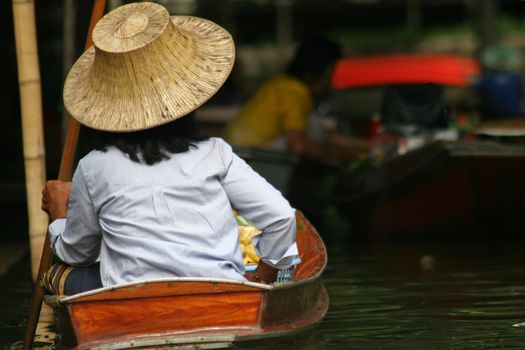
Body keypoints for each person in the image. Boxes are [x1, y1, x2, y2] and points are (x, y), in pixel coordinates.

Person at [40, 2, 297, 295]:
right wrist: (263, 275)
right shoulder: (215, 152)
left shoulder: (94, 166)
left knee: (55, 274)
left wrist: (60, 216)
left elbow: (77, 254)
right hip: (220, 293)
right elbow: (281, 218)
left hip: (131, 299)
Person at [224, 37, 371, 162]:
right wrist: (347, 155)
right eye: (330, 73)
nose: (330, 81)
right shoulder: (294, 92)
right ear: (314, 72)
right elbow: (298, 145)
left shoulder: (281, 85)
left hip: (238, 155)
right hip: (252, 160)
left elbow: (321, 134)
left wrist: (367, 146)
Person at [471, 46, 525, 119]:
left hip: (491, 114)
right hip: (516, 113)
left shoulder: (485, 79)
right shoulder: (517, 78)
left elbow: (474, 93)